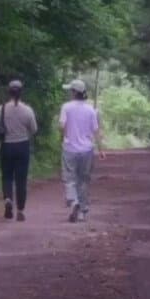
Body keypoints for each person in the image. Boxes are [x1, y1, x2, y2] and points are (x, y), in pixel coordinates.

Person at [58, 79, 102, 222]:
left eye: (71, 90)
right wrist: (101, 149)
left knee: (70, 179)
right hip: (87, 149)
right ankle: (82, 212)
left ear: (74, 92)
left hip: (70, 148)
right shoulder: (90, 109)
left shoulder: (66, 107)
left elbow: (61, 125)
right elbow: (96, 131)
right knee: (83, 180)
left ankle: (74, 201)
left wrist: (64, 137)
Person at [0, 79, 37, 221]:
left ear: (9, 92)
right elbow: (34, 129)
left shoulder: (2, 109)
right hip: (22, 146)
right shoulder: (27, 110)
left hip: (6, 146)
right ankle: (20, 210)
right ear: (21, 92)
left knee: (7, 176)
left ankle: (7, 198)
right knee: (21, 179)